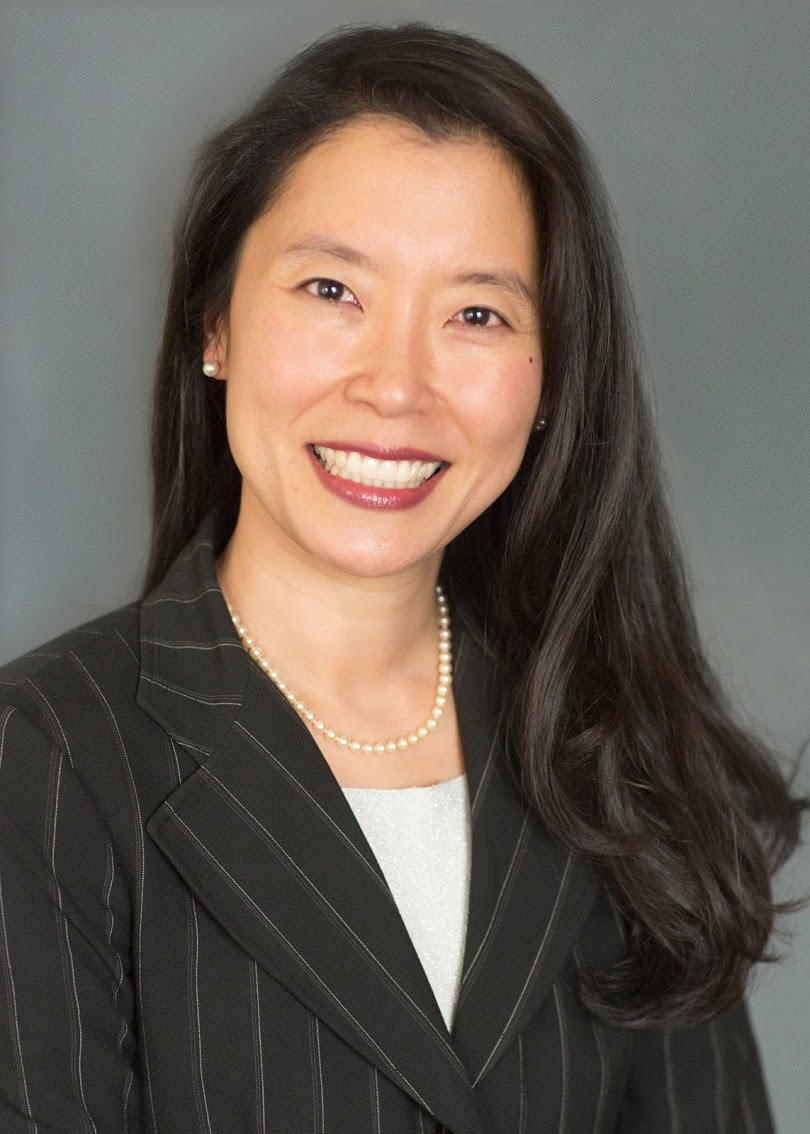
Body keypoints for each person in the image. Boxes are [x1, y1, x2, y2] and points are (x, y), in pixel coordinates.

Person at [0, 20, 804, 1134]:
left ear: (551, 378)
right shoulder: (47, 761)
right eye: (333, 291)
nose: (397, 387)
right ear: (215, 322)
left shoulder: (614, 758)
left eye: (477, 314)